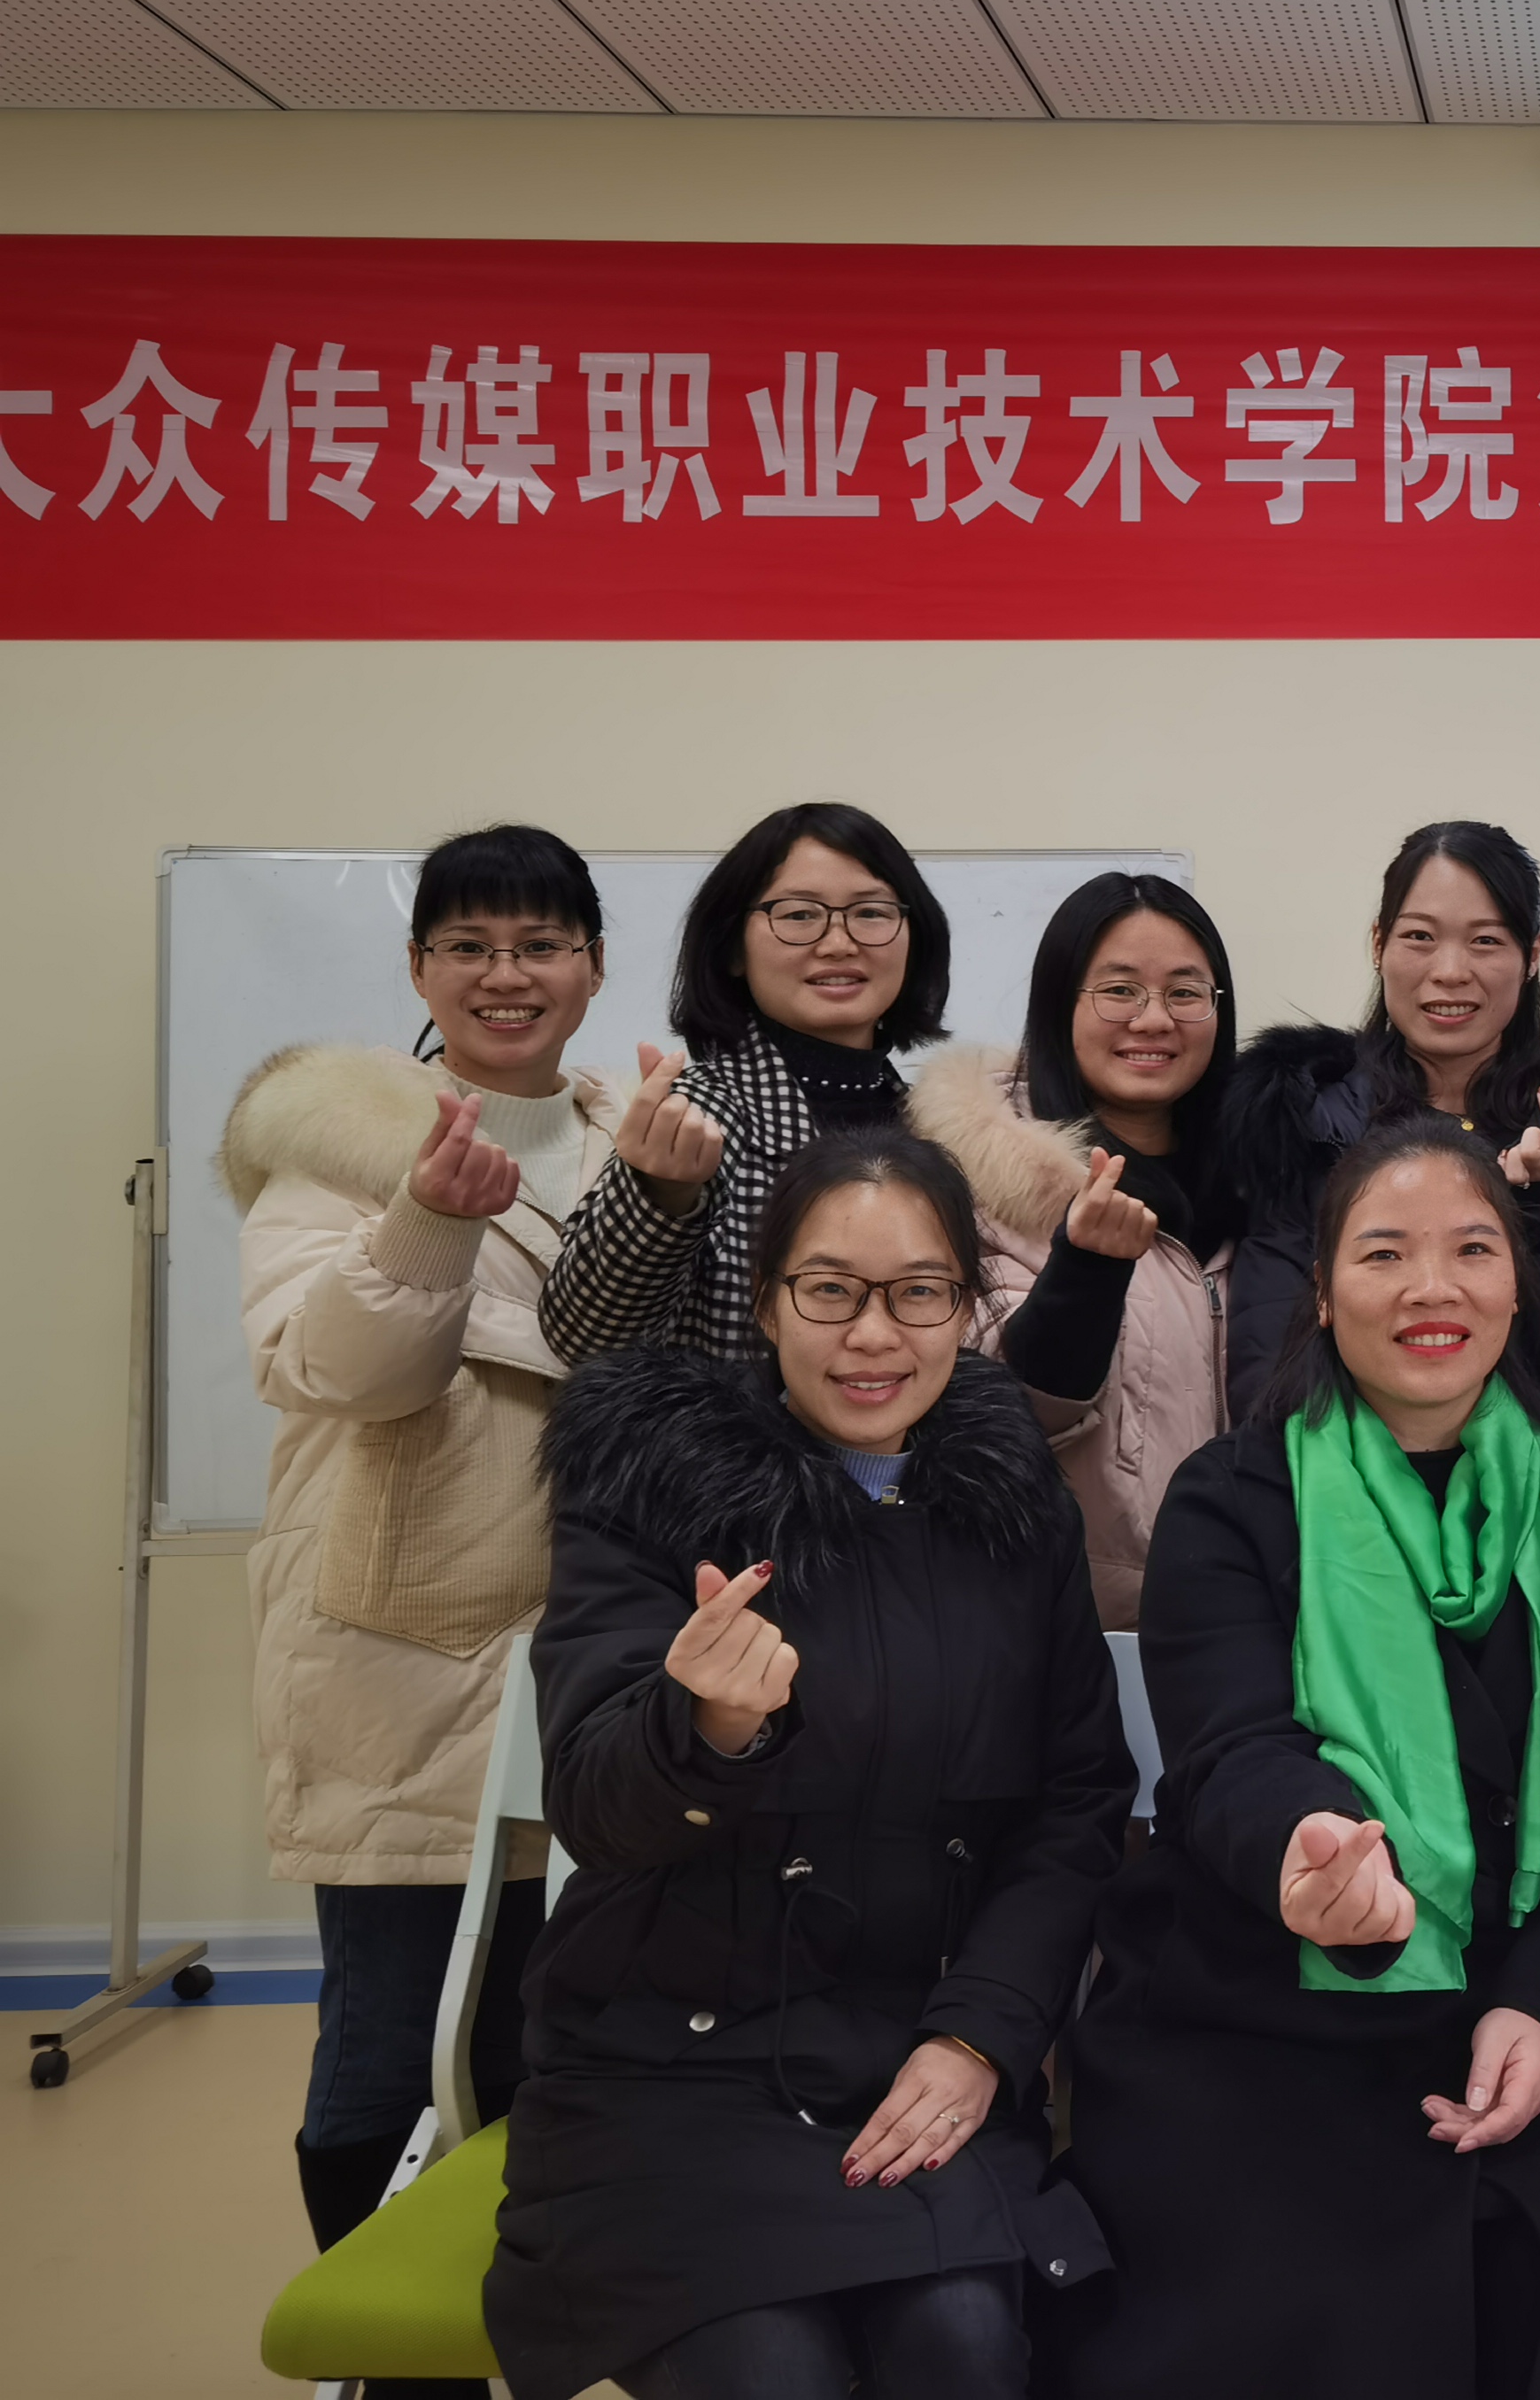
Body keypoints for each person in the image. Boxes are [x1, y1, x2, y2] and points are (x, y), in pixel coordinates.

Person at [1061, 1116, 1540, 2400]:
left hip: (1521, 2005)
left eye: (1472, 1250)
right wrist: (1308, 1854)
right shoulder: (1231, 1495)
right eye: (1385, 1253)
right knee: (1300, 2307)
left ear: (1514, 1285)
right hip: (1255, 2014)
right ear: (1323, 1291)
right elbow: (1231, 1748)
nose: (1430, 1289)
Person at [489, 1129, 1133, 2400]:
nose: (873, 1336)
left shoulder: (1014, 1506)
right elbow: (595, 1806)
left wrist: (981, 2037)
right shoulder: (651, 1481)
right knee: (771, 2369)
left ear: (969, 1306)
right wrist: (702, 1727)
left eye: (920, 1293)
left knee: (961, 2343)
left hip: (916, 2047)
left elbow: (1075, 1805)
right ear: (767, 1301)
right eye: (830, 1290)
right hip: (671, 2068)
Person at [226, 823, 620, 2301]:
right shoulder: (337, 1149)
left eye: (540, 944)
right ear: (418, 967)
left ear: (591, 965)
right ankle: (391, 2358)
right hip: (404, 1658)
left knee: (554, 2046)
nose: (506, 975)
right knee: (393, 2053)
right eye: (469, 945)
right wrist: (428, 1224)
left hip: (602, 1652)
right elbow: (337, 1370)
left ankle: (523, 2323)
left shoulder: (640, 1144)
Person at [1220, 817, 1540, 1472]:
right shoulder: (1306, 1120)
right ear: (1378, 943)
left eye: (1485, 941)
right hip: (1350, 1492)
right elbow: (1269, 1365)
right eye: (1420, 937)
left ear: (1532, 954)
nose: (1450, 972)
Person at [911, 871, 1243, 1628]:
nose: (1154, 1019)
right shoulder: (974, 1179)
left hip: (1247, 1609)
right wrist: (1085, 1273)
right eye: (1119, 990)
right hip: (1055, 1615)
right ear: (1060, 1000)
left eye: (1186, 992)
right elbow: (987, 1411)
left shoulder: (1266, 1178)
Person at [543, 801, 952, 1365]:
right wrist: (661, 1196)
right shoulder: (703, 1111)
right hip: (735, 1425)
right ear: (734, 947)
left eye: (871, 912)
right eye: (799, 914)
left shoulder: (934, 1122)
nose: (839, 942)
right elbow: (583, 1340)